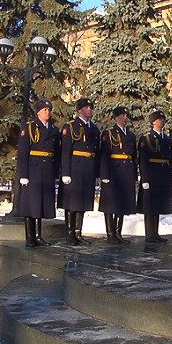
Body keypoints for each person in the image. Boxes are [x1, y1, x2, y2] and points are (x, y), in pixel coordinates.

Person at [15, 100, 60, 247]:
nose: (48, 111)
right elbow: (23, 153)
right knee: (30, 204)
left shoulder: (53, 129)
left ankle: (38, 236)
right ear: (38, 112)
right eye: (45, 109)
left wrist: (56, 172)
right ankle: (30, 237)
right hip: (32, 168)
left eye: (49, 109)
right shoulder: (29, 127)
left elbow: (56, 153)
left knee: (40, 204)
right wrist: (23, 175)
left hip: (46, 170)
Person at [60, 97, 101, 245]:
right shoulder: (70, 126)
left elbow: (97, 151)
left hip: (88, 168)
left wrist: (97, 173)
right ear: (79, 110)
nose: (90, 109)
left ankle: (78, 232)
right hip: (75, 167)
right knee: (72, 202)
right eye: (87, 107)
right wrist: (65, 172)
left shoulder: (94, 129)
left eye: (91, 107)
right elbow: (65, 151)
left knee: (83, 202)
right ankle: (69, 233)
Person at [99, 106, 137, 244]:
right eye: (122, 115)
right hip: (113, 170)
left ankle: (118, 232)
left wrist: (135, 172)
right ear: (116, 118)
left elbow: (134, 156)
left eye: (126, 115)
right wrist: (104, 174)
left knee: (122, 202)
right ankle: (110, 233)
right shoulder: (108, 133)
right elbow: (104, 155)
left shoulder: (131, 135)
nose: (125, 118)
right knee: (110, 203)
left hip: (126, 170)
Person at [137, 110, 172, 243]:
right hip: (152, 174)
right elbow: (143, 160)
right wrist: (145, 178)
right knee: (149, 206)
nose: (163, 121)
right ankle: (149, 234)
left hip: (162, 175)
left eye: (163, 119)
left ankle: (155, 233)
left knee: (158, 205)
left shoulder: (166, 138)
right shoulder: (146, 138)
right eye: (160, 119)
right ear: (153, 122)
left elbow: (169, 159)